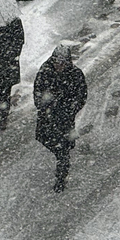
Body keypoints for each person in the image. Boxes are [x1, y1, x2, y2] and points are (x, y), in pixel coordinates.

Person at [33, 41, 87, 192]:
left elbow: (81, 96)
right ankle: (62, 151)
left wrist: (69, 110)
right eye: (57, 61)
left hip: (65, 117)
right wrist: (45, 107)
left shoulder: (76, 74)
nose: (59, 65)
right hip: (47, 116)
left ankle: (61, 175)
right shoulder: (45, 72)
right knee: (43, 137)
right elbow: (37, 92)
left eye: (62, 62)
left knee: (62, 148)